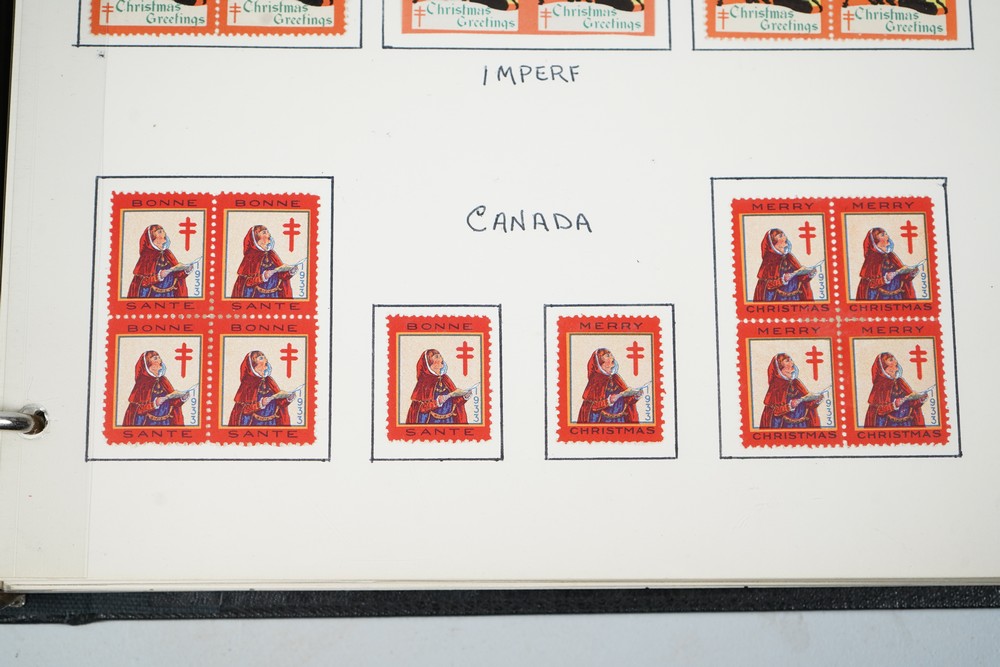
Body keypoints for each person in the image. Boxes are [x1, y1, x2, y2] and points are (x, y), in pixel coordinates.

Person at [121, 350, 189, 426]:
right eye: (155, 358)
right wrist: (154, 404)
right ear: (148, 364)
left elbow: (173, 403)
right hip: (148, 424)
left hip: (166, 423)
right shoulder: (142, 383)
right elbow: (138, 410)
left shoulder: (163, 380)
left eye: (159, 357)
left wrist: (182, 399)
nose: (160, 360)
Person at [405, 349, 470, 425]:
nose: (441, 358)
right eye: (436, 357)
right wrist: (437, 402)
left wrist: (464, 397)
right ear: (428, 362)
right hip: (432, 422)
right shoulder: (423, 382)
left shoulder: (445, 379)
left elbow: (455, 402)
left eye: (440, 356)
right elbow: (421, 408)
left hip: (450, 421)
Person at [228, 351, 293, 427]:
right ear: (252, 364)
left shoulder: (269, 380)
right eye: (261, 358)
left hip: (272, 423)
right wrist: (260, 404)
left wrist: (288, 399)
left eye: (264, 357)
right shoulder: (247, 384)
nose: (266, 360)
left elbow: (279, 403)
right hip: (255, 424)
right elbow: (243, 410)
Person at [576, 348, 641, 424]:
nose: (612, 357)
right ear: (600, 361)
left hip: (620, 420)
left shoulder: (615, 377)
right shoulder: (596, 380)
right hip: (603, 421)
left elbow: (627, 400)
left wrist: (636, 396)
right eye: (607, 355)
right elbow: (592, 407)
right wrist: (609, 401)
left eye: (611, 355)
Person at [864, 352, 927, 428]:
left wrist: (920, 399)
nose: (895, 362)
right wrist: (894, 405)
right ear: (883, 367)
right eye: (891, 360)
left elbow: (912, 404)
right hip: (889, 425)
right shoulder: (880, 385)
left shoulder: (900, 381)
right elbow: (879, 411)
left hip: (907, 424)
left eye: (894, 359)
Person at [758, 353, 821, 429]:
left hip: (802, 425)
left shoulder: (796, 382)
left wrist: (816, 400)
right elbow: (774, 411)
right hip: (784, 426)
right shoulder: (776, 386)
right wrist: (789, 406)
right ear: (779, 367)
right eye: (787, 361)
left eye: (791, 360)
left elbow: (808, 402)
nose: (792, 363)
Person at [127, 224, 191, 299]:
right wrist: (159, 276)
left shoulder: (167, 253)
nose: (164, 233)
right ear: (151, 237)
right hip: (153, 296)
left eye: (163, 231)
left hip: (170, 295)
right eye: (159, 232)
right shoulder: (146, 256)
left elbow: (177, 275)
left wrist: (186, 270)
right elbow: (143, 282)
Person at [753, 228, 816, 302]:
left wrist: (809, 274)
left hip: (795, 298)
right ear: (773, 243)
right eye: (780, 236)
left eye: (784, 235)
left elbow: (800, 278)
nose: (785, 237)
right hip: (778, 300)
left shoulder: (789, 257)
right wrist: (782, 280)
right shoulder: (769, 260)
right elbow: (767, 285)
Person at [231, 226, 294, 299]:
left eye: (268, 232)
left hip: (275, 296)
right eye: (264, 232)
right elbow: (247, 283)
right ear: (256, 238)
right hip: (257, 296)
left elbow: (281, 276)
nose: (269, 235)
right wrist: (263, 277)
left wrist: (290, 272)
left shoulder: (272, 254)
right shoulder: (250, 257)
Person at [855, 227, 917, 301]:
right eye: (882, 235)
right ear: (875, 241)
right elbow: (871, 284)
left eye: (886, 234)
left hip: (897, 297)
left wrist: (911, 274)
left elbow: (903, 277)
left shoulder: (891, 255)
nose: (887, 236)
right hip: (880, 298)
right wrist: (885, 279)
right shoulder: (872, 259)